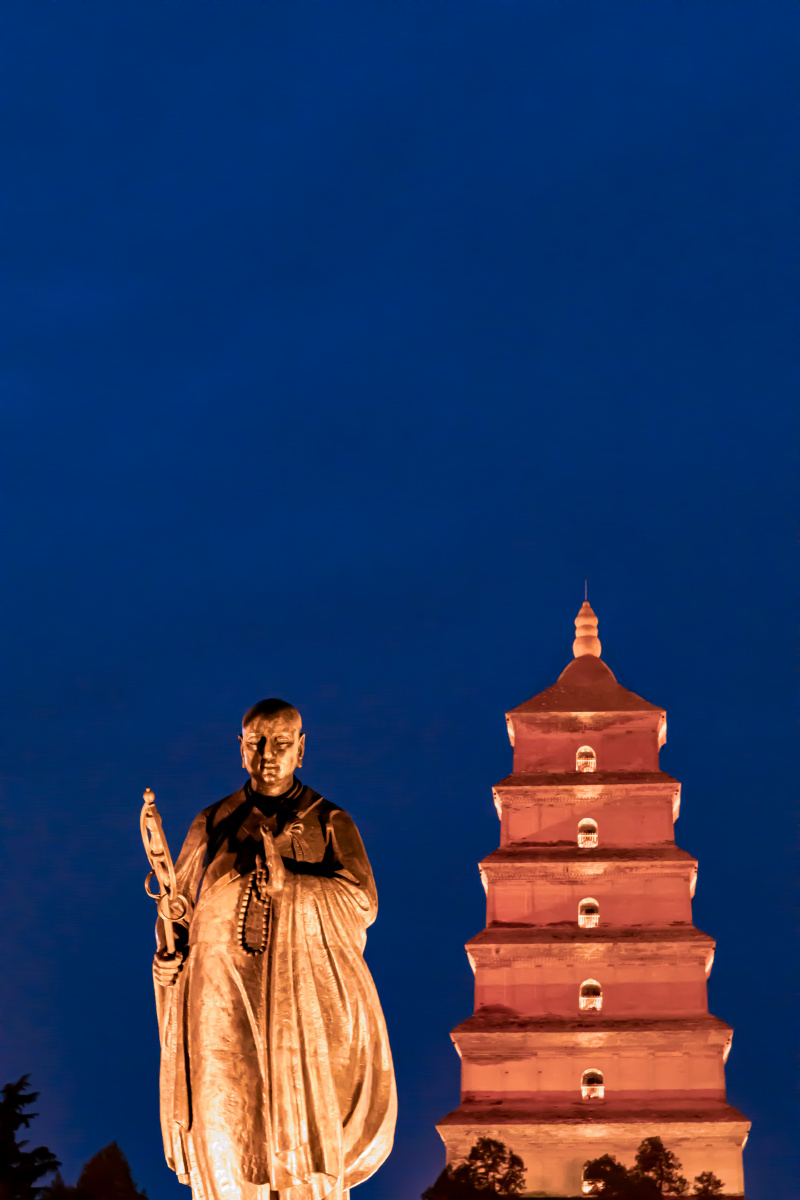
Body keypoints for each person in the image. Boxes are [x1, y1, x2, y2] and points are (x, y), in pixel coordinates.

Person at [152, 698, 396, 1200]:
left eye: (281, 743)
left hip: (297, 1006)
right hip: (218, 1001)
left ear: (301, 749)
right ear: (240, 748)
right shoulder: (212, 822)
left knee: (296, 1147)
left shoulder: (328, 820)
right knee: (224, 1133)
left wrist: (293, 886)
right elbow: (177, 910)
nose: (267, 754)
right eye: (256, 742)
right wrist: (168, 959)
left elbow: (362, 901)